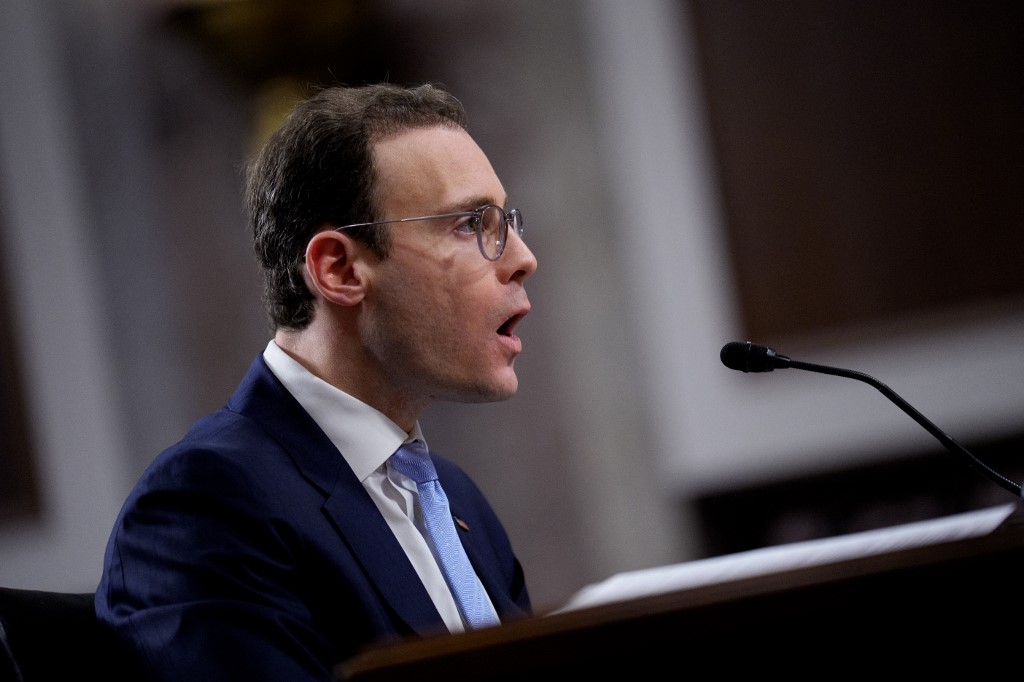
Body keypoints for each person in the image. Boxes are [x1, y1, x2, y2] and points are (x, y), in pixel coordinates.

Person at [95, 82, 537, 681]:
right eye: (469, 224)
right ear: (338, 268)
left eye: (505, 221)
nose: (522, 257)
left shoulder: (457, 503)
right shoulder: (206, 505)